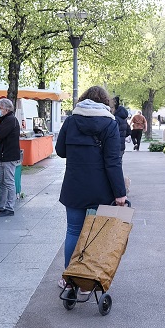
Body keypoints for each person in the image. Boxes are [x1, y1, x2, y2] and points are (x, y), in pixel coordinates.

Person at [55, 86, 127, 283]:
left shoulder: (70, 121)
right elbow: (113, 161)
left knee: (73, 231)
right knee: (96, 234)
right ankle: (88, 281)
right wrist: (120, 193)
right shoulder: (109, 124)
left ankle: (69, 280)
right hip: (101, 189)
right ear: (106, 102)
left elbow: (60, 151)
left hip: (74, 186)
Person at [0, 98, 21, 217]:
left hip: (8, 155)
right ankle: (0, 206)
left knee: (8, 181)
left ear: (6, 109)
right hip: (3, 155)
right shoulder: (5, 119)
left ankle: (9, 207)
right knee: (1, 181)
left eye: (0, 108)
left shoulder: (10, 120)